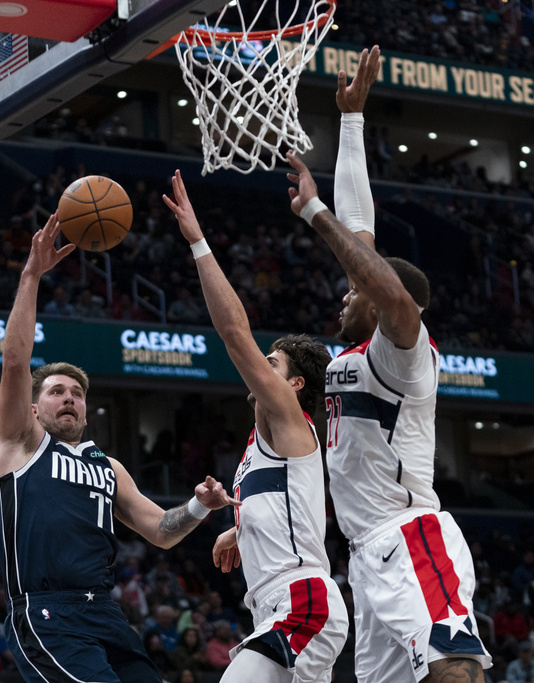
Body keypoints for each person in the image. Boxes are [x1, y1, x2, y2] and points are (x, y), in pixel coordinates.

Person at [284, 45, 492, 682]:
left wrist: (314, 215)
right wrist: (351, 123)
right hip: (365, 554)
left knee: (452, 663)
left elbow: (382, 281)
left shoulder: (406, 354)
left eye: (356, 289)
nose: (345, 291)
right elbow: (361, 235)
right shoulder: (354, 351)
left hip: (410, 535)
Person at [0, 213, 240, 682]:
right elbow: (13, 360)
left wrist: (199, 505)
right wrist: (31, 275)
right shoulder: (20, 444)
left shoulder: (109, 467)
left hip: (103, 612)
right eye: (56, 391)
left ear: (87, 413)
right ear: (32, 409)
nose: (69, 397)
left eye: (78, 394)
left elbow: (162, 532)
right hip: (46, 612)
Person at [164, 172, 348, 682]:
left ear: (293, 386)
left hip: (299, 603)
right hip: (278, 604)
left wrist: (198, 242)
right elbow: (288, 509)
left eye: (272, 363)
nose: (262, 367)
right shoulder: (262, 445)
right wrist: (239, 529)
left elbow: (232, 331)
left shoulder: (291, 420)